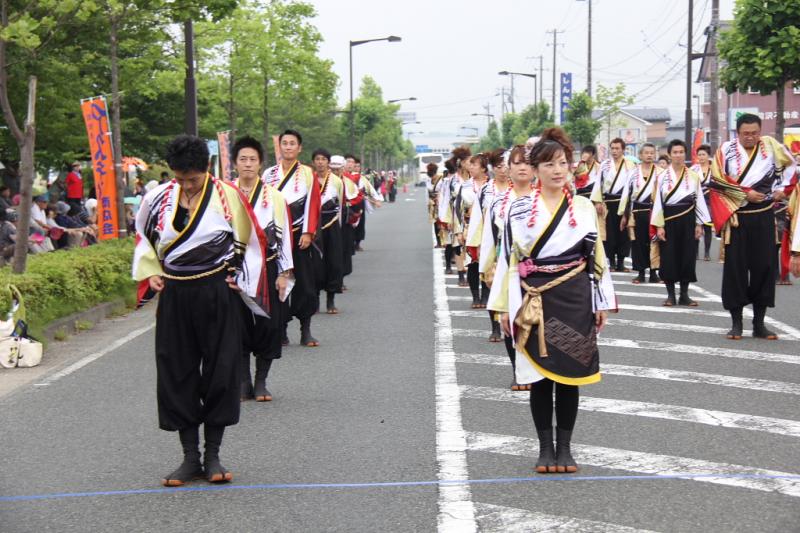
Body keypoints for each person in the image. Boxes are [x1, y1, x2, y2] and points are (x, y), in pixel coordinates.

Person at [132, 134, 270, 487]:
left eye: (192, 179)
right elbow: (144, 238)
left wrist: (241, 278)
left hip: (216, 290)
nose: (185, 184)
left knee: (222, 369)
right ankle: (189, 456)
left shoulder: (228, 196)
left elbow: (252, 241)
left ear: (206, 169)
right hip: (176, 292)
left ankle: (213, 454)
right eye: (179, 178)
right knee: (176, 369)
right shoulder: (157, 197)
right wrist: (152, 272)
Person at [488, 128, 616, 474]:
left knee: (570, 374)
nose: (558, 170)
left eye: (563, 163)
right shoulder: (517, 209)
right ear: (536, 169)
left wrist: (602, 301)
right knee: (540, 377)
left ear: (571, 167)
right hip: (532, 300)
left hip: (575, 297)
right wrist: (502, 306)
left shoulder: (584, 207)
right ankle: (545, 448)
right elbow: (508, 260)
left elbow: (597, 256)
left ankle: (567, 448)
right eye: (549, 164)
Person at [709, 113, 796, 339]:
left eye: (754, 133)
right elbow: (716, 181)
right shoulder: (726, 151)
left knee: (764, 268)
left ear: (760, 131)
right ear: (737, 133)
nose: (750, 137)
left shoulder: (770, 146)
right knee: (736, 270)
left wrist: (783, 190)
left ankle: (759, 323)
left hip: (764, 215)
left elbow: (791, 167)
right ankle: (736, 323)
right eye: (746, 134)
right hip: (737, 216)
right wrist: (745, 193)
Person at [232, 136, 294, 403]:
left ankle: (261, 381)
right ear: (235, 163)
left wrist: (284, 272)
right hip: (233, 272)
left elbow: (285, 237)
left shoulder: (275, 197)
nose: (247, 164)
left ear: (260, 164)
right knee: (237, 327)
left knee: (268, 326)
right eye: (243, 159)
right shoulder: (224, 194)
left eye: (252, 159)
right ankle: (244, 381)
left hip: (267, 270)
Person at [479, 145, 535, 388]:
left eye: (527, 163)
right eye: (516, 163)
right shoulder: (499, 202)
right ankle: (517, 371)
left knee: (534, 321)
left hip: (537, 269)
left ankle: (534, 371)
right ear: (508, 169)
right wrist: (486, 266)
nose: (522, 167)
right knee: (510, 320)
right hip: (507, 267)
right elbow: (490, 237)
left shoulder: (545, 198)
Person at [262, 129, 322, 347]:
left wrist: (308, 231)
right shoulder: (268, 174)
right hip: (276, 237)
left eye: (292, 143)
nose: (288, 147)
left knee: (305, 284)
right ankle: (281, 329)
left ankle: (305, 329)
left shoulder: (307, 173)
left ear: (299, 148)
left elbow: (313, 204)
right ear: (279, 147)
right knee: (280, 282)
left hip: (299, 236)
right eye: (284, 143)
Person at [651, 139, 710, 307]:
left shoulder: (693, 175)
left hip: (688, 219)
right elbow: (657, 203)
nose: (678, 155)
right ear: (670, 155)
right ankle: (671, 295)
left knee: (687, 256)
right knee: (669, 257)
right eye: (675, 152)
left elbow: (698, 200)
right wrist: (659, 226)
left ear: (685, 154)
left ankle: (684, 294)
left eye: (681, 152)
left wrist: (699, 224)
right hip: (668, 219)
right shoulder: (662, 176)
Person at [619, 143, 661, 284]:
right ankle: (641, 272)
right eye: (646, 153)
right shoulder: (632, 173)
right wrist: (624, 216)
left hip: (654, 212)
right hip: (636, 211)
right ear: (641, 155)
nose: (649, 155)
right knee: (637, 243)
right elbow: (627, 195)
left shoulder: (661, 172)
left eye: (651, 152)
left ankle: (654, 272)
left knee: (654, 241)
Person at [592, 138, 636, 272]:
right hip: (609, 202)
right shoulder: (605, 165)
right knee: (609, 233)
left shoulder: (631, 165)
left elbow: (633, 186)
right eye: (613, 148)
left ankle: (621, 262)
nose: (615, 151)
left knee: (624, 233)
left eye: (617, 148)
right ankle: (611, 262)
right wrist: (598, 201)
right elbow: (598, 183)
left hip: (624, 202)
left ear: (623, 149)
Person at [311, 148, 345, 314]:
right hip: (314, 225)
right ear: (313, 162)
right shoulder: (308, 180)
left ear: (328, 162)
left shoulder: (336, 181)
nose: (320, 162)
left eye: (323, 159)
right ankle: (315, 298)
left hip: (331, 224)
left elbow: (340, 204)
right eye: (317, 159)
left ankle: (331, 299)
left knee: (333, 261)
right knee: (315, 263)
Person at [691, 144, 714, 261]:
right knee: (696, 226)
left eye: (703, 154)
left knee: (708, 228)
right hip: (697, 201)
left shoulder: (714, 169)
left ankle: (707, 253)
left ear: (708, 155)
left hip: (710, 201)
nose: (701, 157)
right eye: (699, 154)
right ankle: (695, 253)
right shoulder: (693, 169)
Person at [426, 163, 444, 247]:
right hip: (432, 204)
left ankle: (443, 241)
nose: (431, 176)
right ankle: (439, 242)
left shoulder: (441, 179)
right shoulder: (429, 180)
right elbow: (428, 192)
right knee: (435, 222)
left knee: (441, 222)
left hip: (440, 203)